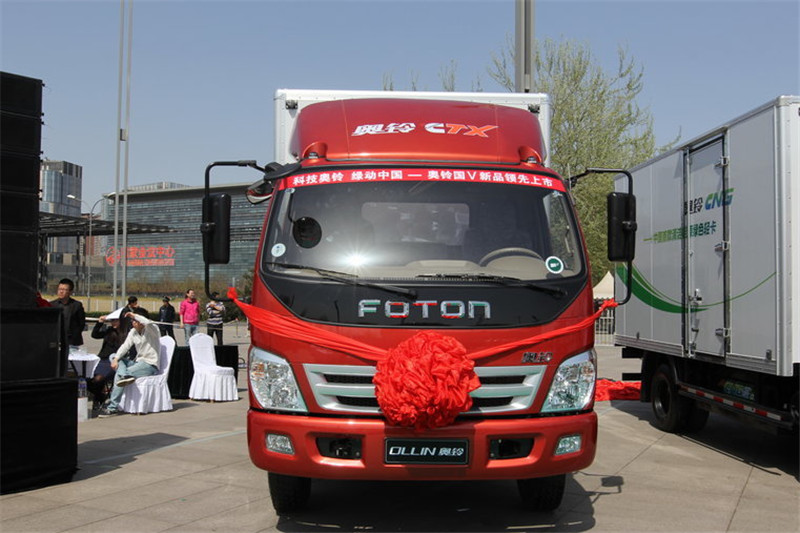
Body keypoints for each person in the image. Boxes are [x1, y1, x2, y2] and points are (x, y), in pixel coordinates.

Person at [98, 312, 161, 418]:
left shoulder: (152, 330)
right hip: (137, 362)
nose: (133, 322)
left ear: (141, 321)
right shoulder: (133, 332)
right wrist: (116, 359)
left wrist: (135, 315)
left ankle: (112, 407)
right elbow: (125, 346)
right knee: (113, 356)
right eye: (132, 320)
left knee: (118, 375)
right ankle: (125, 374)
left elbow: (148, 323)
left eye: (135, 321)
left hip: (149, 364)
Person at [88, 307, 125, 410]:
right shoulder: (109, 331)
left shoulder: (126, 333)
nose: (113, 323)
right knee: (86, 378)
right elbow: (95, 335)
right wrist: (99, 323)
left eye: (116, 320)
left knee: (98, 379)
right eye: (112, 320)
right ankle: (100, 396)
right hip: (101, 359)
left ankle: (97, 399)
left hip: (114, 361)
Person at [50, 278, 86, 349]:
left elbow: (81, 323)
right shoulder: (52, 305)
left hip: (72, 342)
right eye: (59, 289)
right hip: (56, 340)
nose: (61, 291)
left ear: (70, 292)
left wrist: (75, 333)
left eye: (64, 290)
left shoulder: (77, 305)